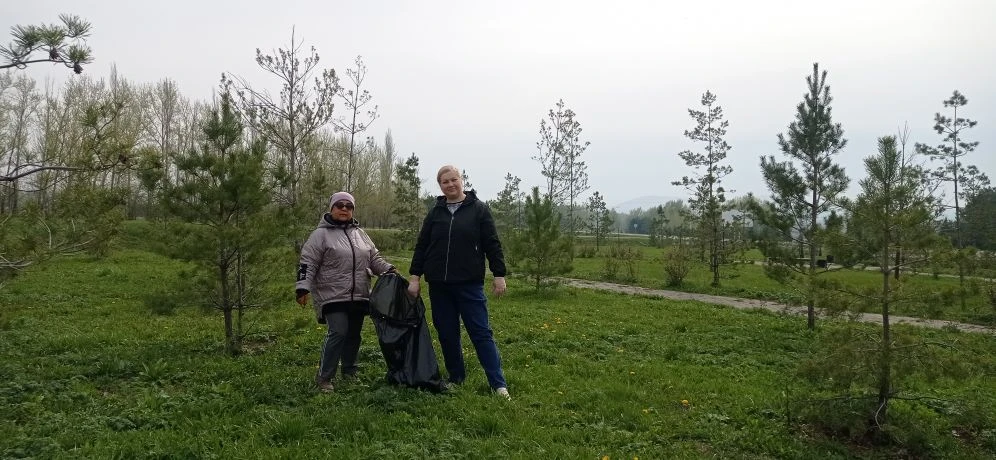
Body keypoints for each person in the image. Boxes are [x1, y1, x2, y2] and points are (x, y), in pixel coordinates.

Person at [407, 165, 511, 400]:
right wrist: (414, 277)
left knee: (481, 333)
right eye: (445, 182)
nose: (450, 184)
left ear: (461, 180)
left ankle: (498, 384)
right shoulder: (435, 213)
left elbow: (492, 243)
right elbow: (422, 246)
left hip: (469, 284)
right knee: (447, 333)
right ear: (440, 186)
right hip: (439, 285)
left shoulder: (479, 210)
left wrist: (499, 274)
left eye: (453, 179)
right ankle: (456, 378)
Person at [296, 191, 395, 392]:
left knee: (353, 335)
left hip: (359, 294)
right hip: (331, 294)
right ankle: (324, 377)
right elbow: (308, 262)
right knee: (338, 331)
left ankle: (349, 372)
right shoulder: (320, 235)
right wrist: (302, 287)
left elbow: (374, 258)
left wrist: (389, 270)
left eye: (348, 206)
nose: (344, 209)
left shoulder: (360, 234)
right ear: (331, 208)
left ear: (352, 210)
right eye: (339, 205)